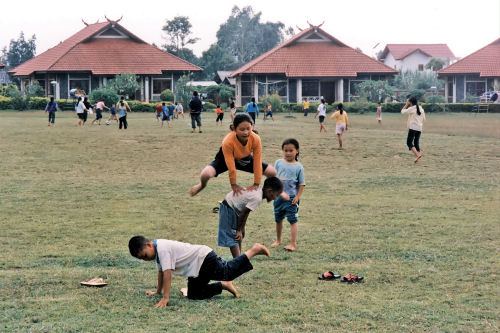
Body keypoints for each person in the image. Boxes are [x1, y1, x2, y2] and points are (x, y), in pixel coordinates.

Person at [128, 235, 271, 307]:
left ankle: (254, 250)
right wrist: (158, 292)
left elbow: (166, 274)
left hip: (203, 258)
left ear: (148, 244)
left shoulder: (162, 248)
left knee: (227, 272)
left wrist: (165, 298)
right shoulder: (157, 253)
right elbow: (160, 273)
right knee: (194, 294)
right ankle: (223, 285)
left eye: (145, 256)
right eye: (143, 259)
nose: (147, 259)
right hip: (195, 268)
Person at [189, 114, 277, 197]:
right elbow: (231, 167)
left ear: (252, 127)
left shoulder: (256, 139)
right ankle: (202, 185)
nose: (246, 132)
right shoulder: (228, 141)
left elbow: (257, 162)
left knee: (272, 172)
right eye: (242, 130)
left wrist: (256, 184)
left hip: (243, 158)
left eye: (248, 129)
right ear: (234, 129)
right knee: (205, 174)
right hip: (224, 159)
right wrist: (234, 185)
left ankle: (264, 194)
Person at [218, 177, 285, 258]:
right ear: (270, 191)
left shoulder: (258, 192)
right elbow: (244, 213)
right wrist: (238, 230)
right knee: (234, 236)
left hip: (233, 207)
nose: (275, 198)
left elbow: (246, 213)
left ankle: (238, 260)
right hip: (229, 207)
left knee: (239, 235)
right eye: (276, 195)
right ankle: (237, 262)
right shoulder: (257, 198)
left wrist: (242, 228)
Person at [271, 139, 306, 252]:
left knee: (292, 220)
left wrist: (297, 196)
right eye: (286, 150)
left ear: (297, 151)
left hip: (291, 198)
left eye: (291, 150)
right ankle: (278, 240)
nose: (288, 153)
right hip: (278, 197)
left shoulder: (298, 167)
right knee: (278, 219)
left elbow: (301, 184)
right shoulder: (278, 163)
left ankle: (292, 244)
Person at [401, 96, 425, 163]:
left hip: (413, 127)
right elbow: (424, 119)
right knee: (416, 142)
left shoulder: (411, 108)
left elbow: (402, 111)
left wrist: (406, 104)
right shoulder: (421, 108)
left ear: (411, 102)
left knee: (409, 143)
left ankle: (417, 155)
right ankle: (417, 157)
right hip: (419, 127)